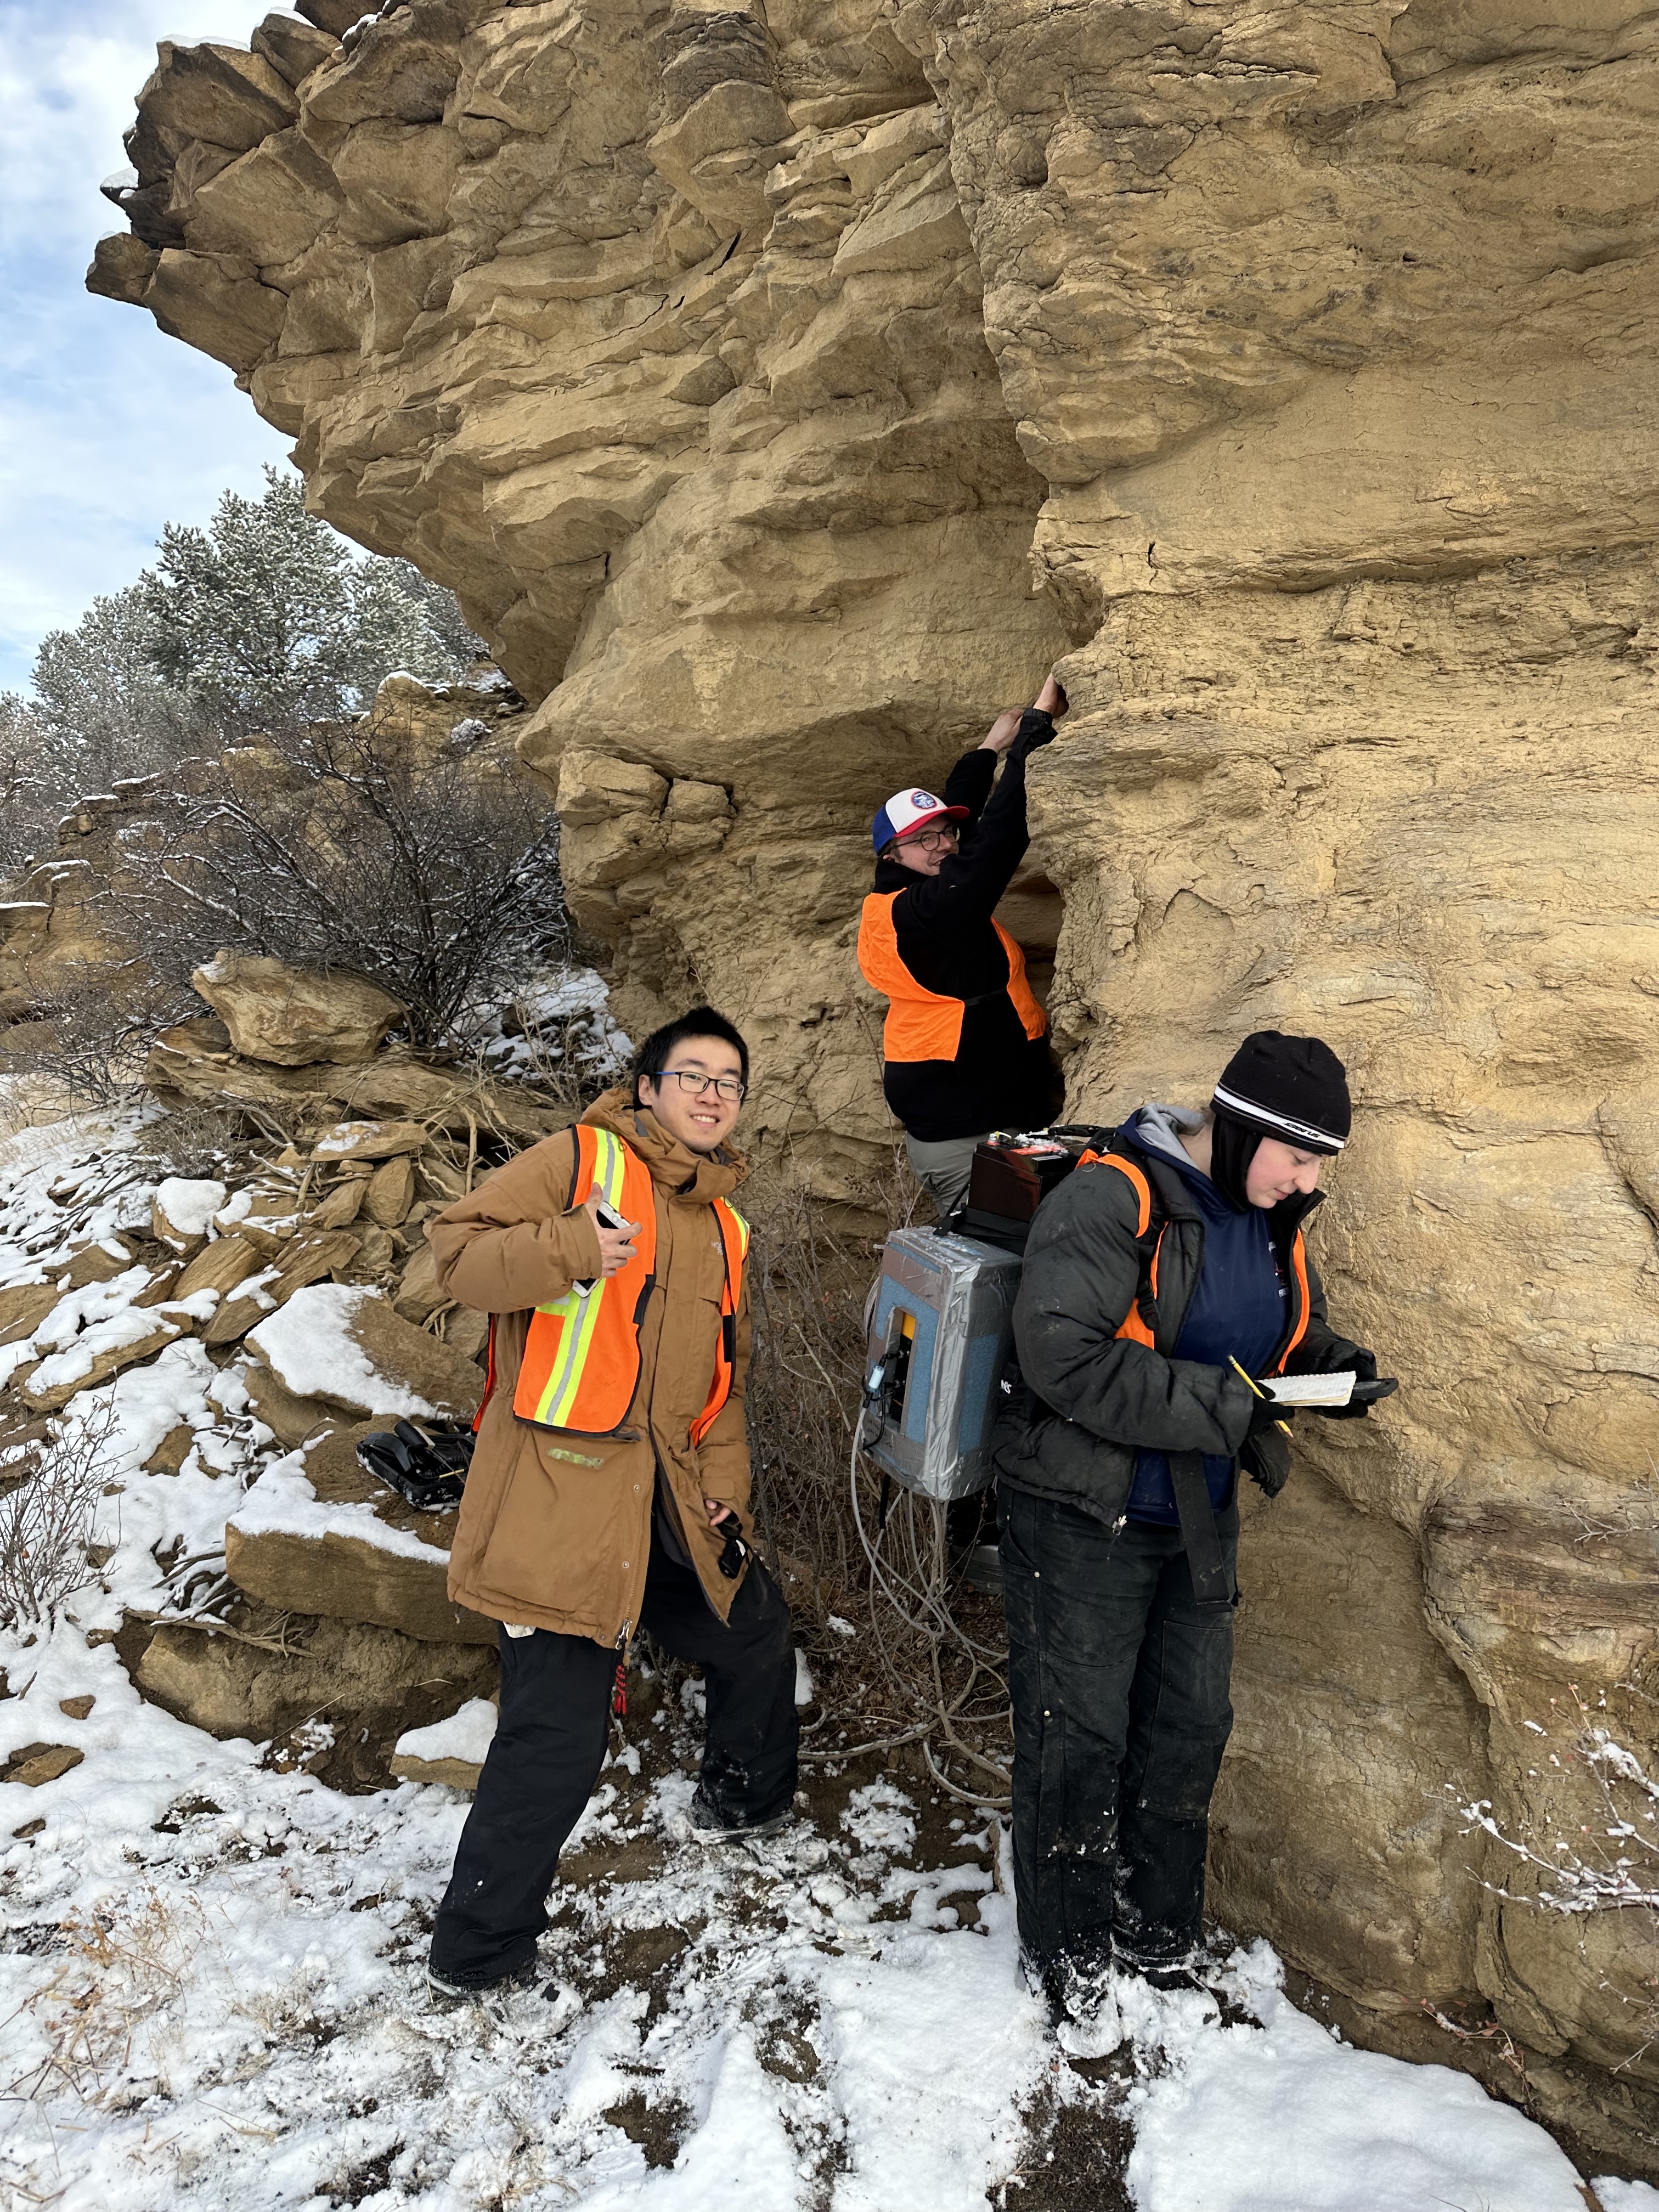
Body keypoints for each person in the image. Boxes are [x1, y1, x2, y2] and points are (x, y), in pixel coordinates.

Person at [990, 1030, 1389, 2011]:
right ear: (1243, 1127)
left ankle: (1156, 1925)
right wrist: (1232, 1404)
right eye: (1295, 1155)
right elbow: (1063, 1357)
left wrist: (1334, 1367)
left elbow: (1273, 1327)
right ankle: (1069, 1955)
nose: (1302, 1180)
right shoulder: (1112, 1196)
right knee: (1076, 1734)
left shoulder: (1271, 1214)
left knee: (1186, 1724)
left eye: (1315, 1166)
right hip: (1082, 1513)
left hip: (1196, 1510)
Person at [424, 1007, 799, 2001]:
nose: (712, 1093)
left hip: (670, 1492)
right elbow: (453, 1257)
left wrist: (726, 1487)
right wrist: (569, 1246)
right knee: (556, 1734)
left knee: (752, 1628)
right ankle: (477, 1949)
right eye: (693, 1074)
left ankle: (741, 1803)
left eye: (729, 1080)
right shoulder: (580, 1159)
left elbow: (726, 1370)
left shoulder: (725, 1220)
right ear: (646, 1086)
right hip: (558, 1491)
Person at [857, 675, 1068, 1220]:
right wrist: (1035, 733)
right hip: (966, 1143)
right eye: (923, 840)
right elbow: (997, 839)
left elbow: (962, 818)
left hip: (991, 1121)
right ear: (890, 856)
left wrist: (988, 748)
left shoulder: (917, 888)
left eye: (945, 834)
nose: (944, 845)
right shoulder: (928, 913)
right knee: (1008, 1261)